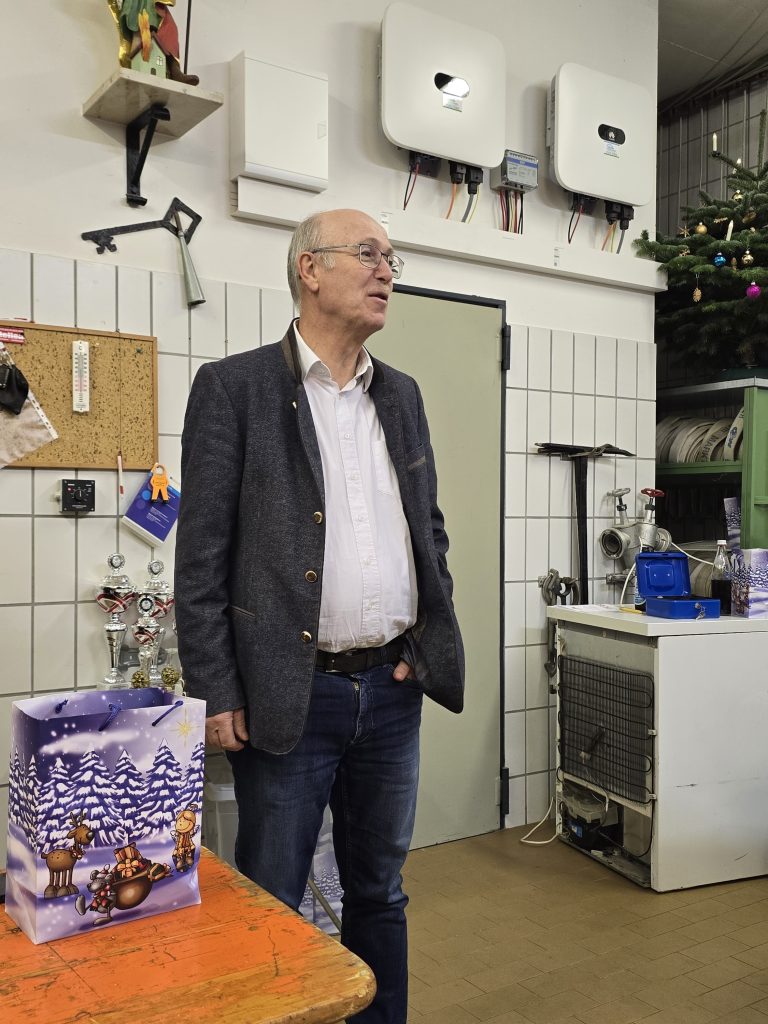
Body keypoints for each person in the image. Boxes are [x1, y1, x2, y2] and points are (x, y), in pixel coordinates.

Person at [174, 208, 464, 1024]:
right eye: (368, 254)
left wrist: (422, 645)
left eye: (391, 258)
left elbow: (427, 527)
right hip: (287, 696)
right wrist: (216, 689)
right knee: (272, 899)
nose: (386, 271)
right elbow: (200, 559)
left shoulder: (400, 395)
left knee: (381, 892)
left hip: (392, 691)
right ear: (310, 268)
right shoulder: (234, 389)